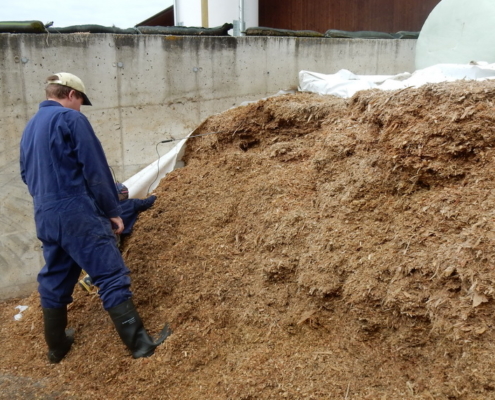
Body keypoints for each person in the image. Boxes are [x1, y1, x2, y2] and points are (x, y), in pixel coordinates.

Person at [19, 72, 171, 363]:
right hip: (77, 212)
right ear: (71, 95)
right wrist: (112, 210)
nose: (80, 107)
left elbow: (26, 175)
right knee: (110, 273)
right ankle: (141, 345)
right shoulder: (71, 119)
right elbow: (95, 170)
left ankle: (57, 347)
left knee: (55, 277)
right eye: (80, 101)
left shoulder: (30, 128)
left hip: (45, 214)